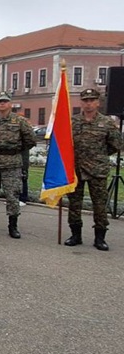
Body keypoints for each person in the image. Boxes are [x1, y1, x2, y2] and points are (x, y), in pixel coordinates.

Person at [64, 88, 123, 250]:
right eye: (85, 101)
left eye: (92, 100)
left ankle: (100, 238)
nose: (88, 104)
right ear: (81, 103)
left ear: (98, 102)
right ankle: (75, 235)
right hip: (76, 170)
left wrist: (99, 155)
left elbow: (116, 145)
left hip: (98, 170)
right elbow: (64, 144)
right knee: (74, 204)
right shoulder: (73, 121)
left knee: (99, 205)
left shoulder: (107, 123)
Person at [0, 92, 36, 238]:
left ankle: (13, 226)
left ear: (10, 104)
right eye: (0, 102)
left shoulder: (19, 121)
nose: (2, 104)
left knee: (12, 195)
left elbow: (30, 140)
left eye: (5, 101)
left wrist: (15, 150)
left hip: (12, 163)